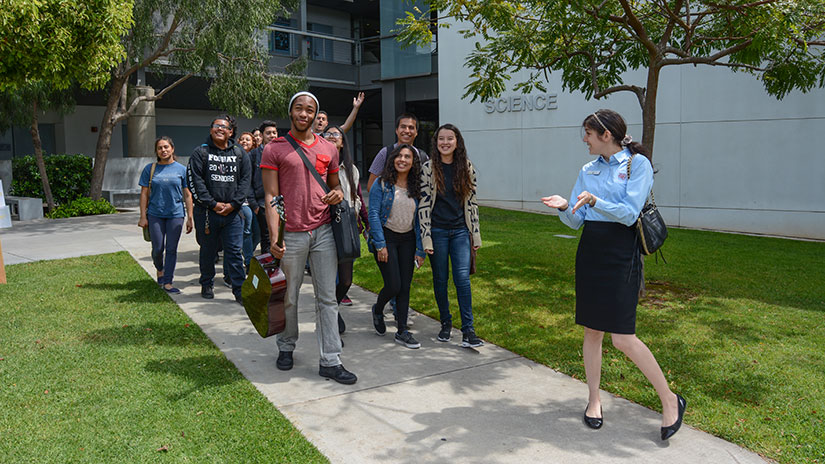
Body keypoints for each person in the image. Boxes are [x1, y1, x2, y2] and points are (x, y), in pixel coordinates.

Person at [541, 109, 686, 440]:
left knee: (623, 336)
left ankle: (670, 400)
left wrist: (596, 199)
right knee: (592, 331)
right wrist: (566, 206)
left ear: (606, 135)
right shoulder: (587, 169)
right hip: (591, 251)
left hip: (621, 253)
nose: (585, 140)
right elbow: (578, 220)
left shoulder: (637, 165)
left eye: (589, 134)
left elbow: (629, 213)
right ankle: (594, 401)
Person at [261, 91, 357, 385]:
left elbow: (334, 187)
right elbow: (271, 195)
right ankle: (286, 346)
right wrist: (275, 237)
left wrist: (338, 192)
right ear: (291, 112)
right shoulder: (275, 149)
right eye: (299, 109)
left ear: (316, 115)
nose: (305, 114)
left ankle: (331, 359)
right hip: (292, 233)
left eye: (310, 110)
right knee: (289, 296)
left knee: (327, 298)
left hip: (324, 231)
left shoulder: (329, 148)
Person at [418, 124, 483, 348]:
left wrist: (475, 235)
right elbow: (423, 204)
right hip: (437, 231)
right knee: (440, 280)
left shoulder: (466, 167)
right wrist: (426, 239)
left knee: (462, 280)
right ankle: (446, 323)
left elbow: (472, 204)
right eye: (441, 139)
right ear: (436, 143)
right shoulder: (428, 168)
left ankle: (468, 330)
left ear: (457, 142)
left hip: (460, 232)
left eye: (450, 139)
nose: (445, 142)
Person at [187, 115, 251, 304]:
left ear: (231, 132)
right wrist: (212, 204)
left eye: (224, 127)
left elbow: (245, 181)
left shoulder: (240, 154)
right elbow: (195, 183)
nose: (220, 129)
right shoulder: (200, 153)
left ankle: (240, 290)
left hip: (233, 214)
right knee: (208, 251)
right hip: (207, 213)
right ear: (210, 130)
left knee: (234, 252)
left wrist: (233, 204)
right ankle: (206, 283)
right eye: (216, 126)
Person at [368, 144, 425, 349]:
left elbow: (419, 221)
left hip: (408, 240)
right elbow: (373, 213)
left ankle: (402, 331)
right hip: (387, 239)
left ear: (413, 162)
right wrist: (380, 244)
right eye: (399, 156)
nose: (402, 160)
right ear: (393, 160)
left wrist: (420, 250)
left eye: (407, 157)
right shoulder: (382, 184)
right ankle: (378, 309)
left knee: (405, 287)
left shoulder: (417, 187)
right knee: (394, 285)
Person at [322, 125, 369, 335]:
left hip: (346, 226)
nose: (332, 137)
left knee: (346, 280)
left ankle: (332, 308)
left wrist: (363, 222)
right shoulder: (318, 166)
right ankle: (329, 317)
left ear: (342, 142)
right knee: (327, 279)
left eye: (336, 135)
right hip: (323, 227)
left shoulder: (351, 169)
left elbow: (357, 196)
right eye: (328, 134)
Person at [138, 136, 194, 294]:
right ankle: (160, 269)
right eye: (160, 148)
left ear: (172, 149)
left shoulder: (182, 170)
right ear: (156, 151)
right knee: (157, 248)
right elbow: (144, 194)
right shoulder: (150, 169)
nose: (163, 150)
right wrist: (143, 216)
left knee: (171, 249)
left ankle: (168, 281)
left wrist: (190, 217)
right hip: (155, 214)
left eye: (166, 147)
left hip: (176, 214)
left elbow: (188, 195)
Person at [366, 112, 428, 193]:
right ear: (396, 130)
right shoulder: (385, 153)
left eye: (411, 127)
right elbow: (371, 187)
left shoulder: (422, 157)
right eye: (403, 127)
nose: (407, 131)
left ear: (416, 133)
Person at [249, 121, 278, 255]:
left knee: (281, 237)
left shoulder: (281, 153)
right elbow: (247, 181)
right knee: (266, 238)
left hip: (280, 202)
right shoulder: (254, 155)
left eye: (274, 133)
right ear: (261, 135)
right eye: (268, 133)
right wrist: (254, 204)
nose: (272, 135)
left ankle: (279, 270)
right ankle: (268, 271)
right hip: (261, 204)